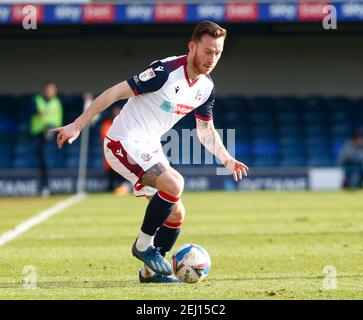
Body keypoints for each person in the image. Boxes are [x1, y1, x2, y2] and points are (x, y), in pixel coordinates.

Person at [51, 21, 248, 283]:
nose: (212, 58)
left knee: (177, 213)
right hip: (121, 141)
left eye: (218, 53)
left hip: (149, 146)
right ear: (192, 47)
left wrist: (227, 159)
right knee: (175, 183)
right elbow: (114, 93)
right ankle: (142, 246)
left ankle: (150, 272)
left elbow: (205, 131)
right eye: (207, 51)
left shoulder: (206, 88)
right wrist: (78, 124)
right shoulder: (164, 72)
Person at [30, 82, 63, 197]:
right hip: (38, 134)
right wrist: (38, 113)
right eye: (49, 89)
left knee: (46, 161)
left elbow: (58, 119)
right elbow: (30, 112)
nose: (50, 92)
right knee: (40, 161)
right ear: (44, 90)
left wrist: (51, 128)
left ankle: (46, 186)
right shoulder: (37, 99)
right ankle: (42, 186)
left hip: (50, 135)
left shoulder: (56, 102)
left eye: (53, 90)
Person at [100, 107, 130, 195]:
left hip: (121, 155)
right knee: (111, 177)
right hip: (110, 155)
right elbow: (105, 138)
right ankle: (111, 188)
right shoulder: (107, 124)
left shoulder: (123, 125)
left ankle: (121, 188)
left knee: (121, 175)